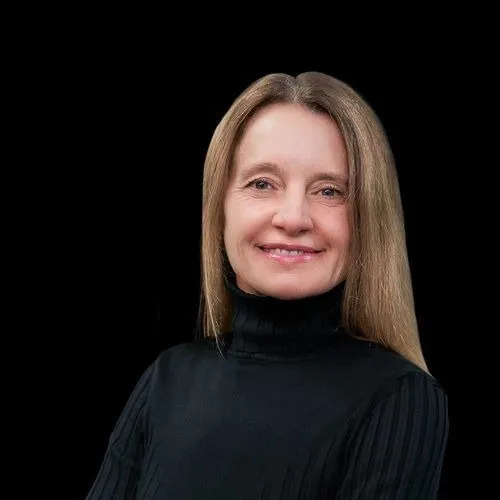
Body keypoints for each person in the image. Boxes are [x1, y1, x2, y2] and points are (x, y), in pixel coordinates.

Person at [86, 71, 449, 499]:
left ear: (368, 218)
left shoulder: (399, 398)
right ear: (220, 207)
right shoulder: (166, 380)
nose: (293, 218)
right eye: (262, 184)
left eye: (329, 191)